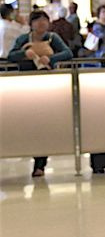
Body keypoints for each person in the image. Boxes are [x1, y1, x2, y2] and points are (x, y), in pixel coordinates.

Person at [8, 10, 74, 177]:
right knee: (27, 123)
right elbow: (11, 56)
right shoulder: (23, 39)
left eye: (44, 20)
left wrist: (50, 59)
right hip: (26, 86)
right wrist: (25, 54)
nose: (41, 24)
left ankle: (40, 164)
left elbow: (68, 53)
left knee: (42, 122)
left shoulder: (53, 38)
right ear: (31, 24)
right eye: (37, 21)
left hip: (46, 86)